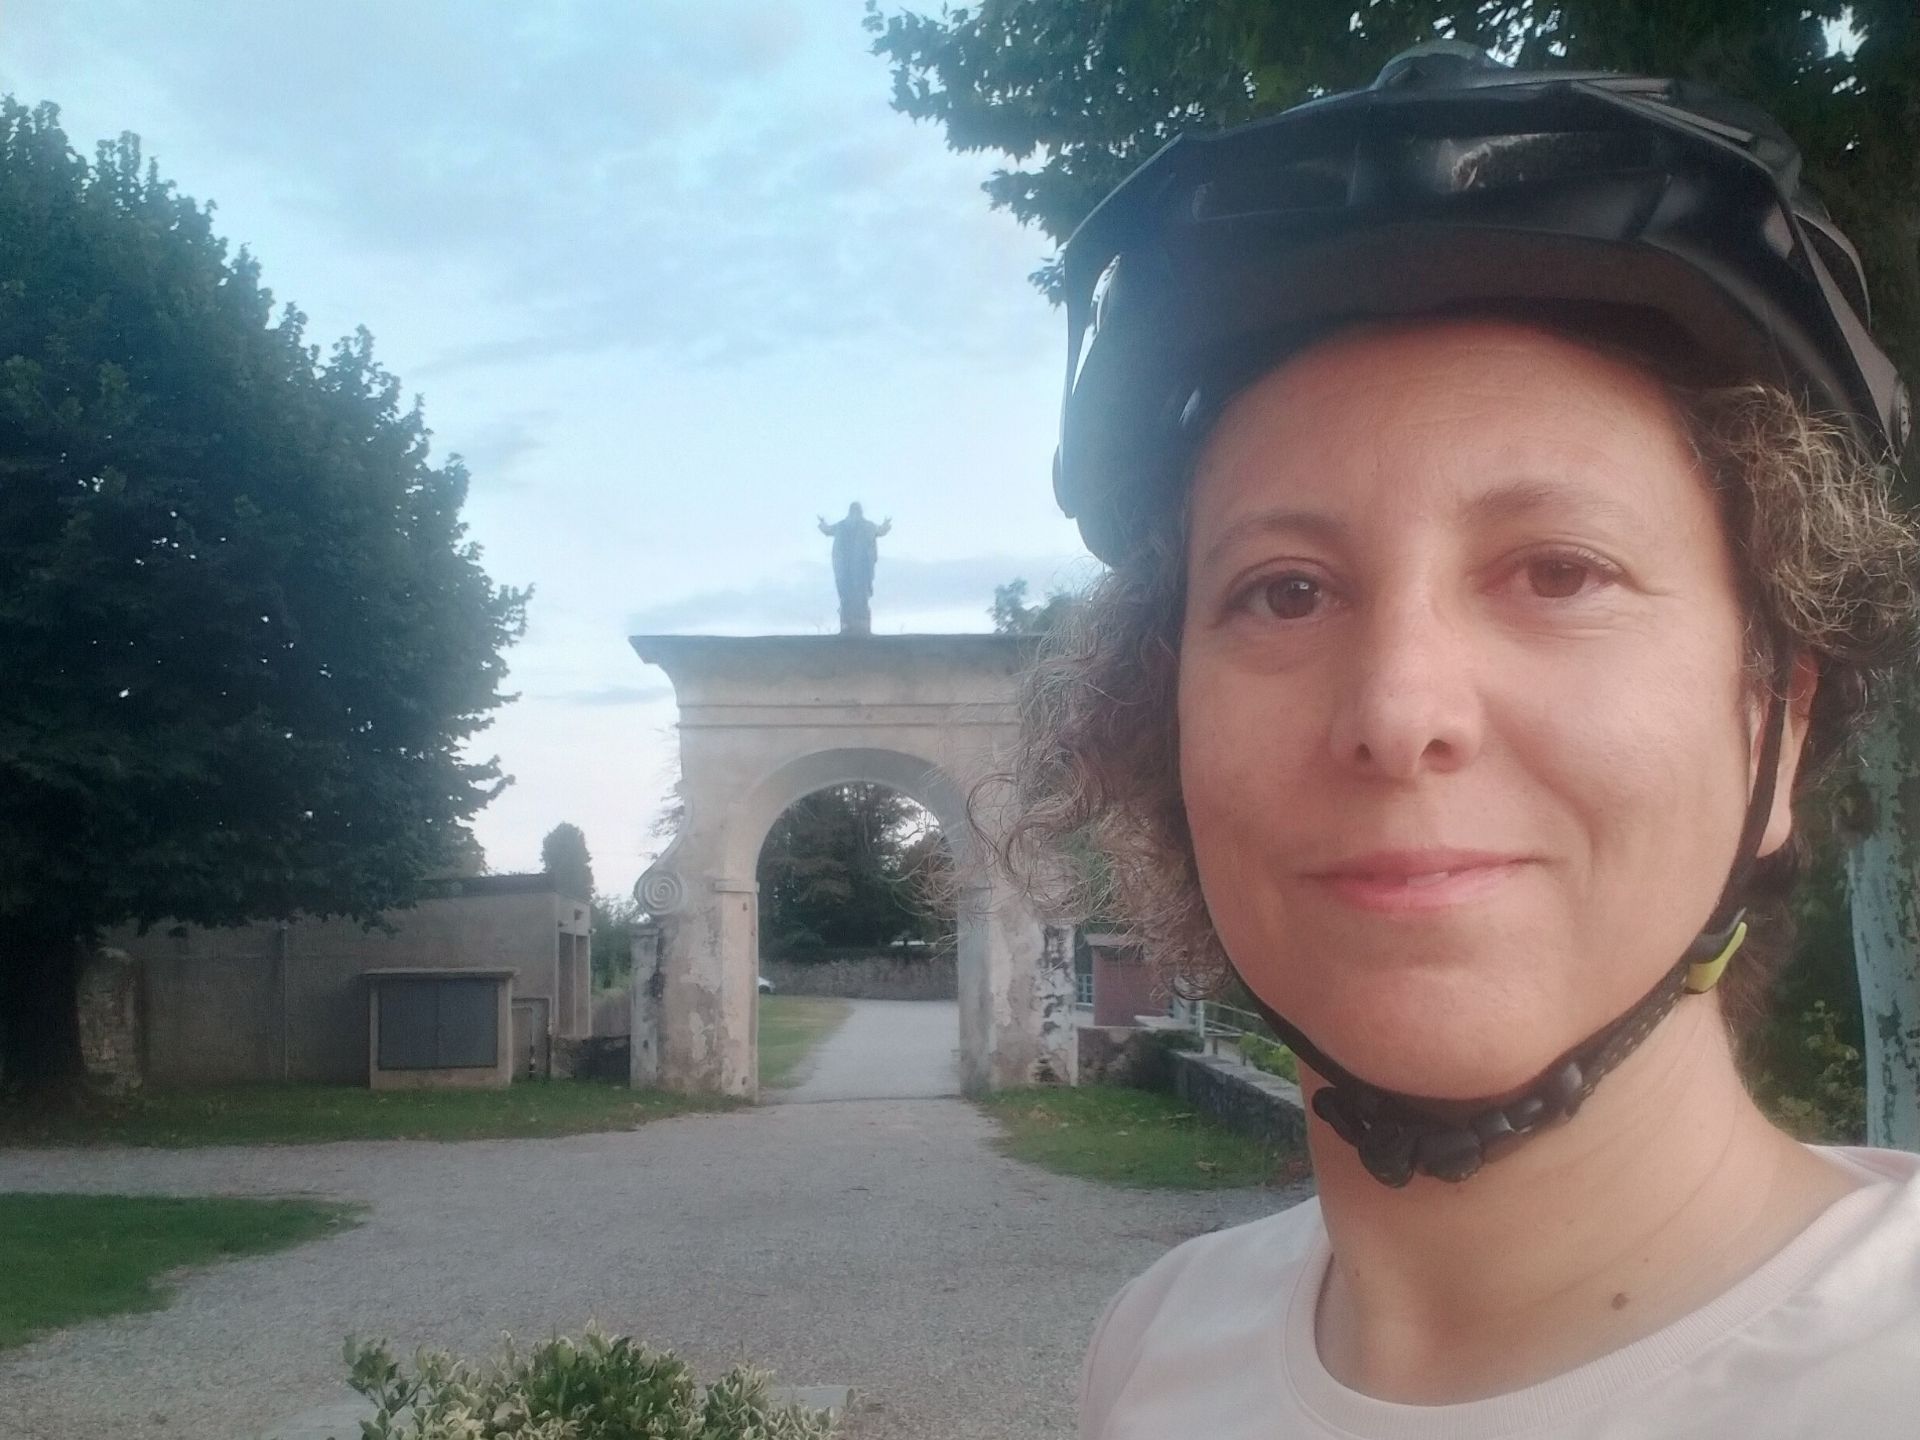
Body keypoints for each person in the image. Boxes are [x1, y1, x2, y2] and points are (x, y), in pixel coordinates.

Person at [1005, 42, 1920, 1438]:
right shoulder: (1155, 1353)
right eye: (1285, 592)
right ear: (1162, 723)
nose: (1398, 713)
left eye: (1559, 571)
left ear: (1778, 728)